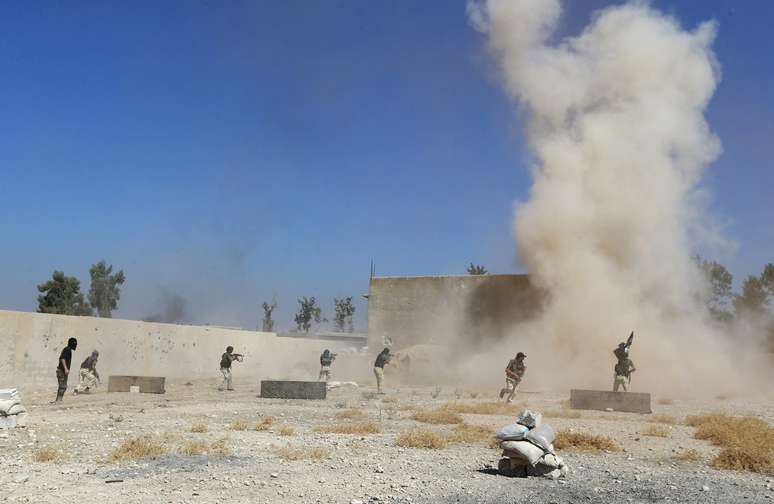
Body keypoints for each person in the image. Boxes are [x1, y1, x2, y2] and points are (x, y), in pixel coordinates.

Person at [53, 337, 78, 403]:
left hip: (61, 371)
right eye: (75, 344)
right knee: (62, 386)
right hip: (61, 371)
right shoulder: (67, 349)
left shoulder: (67, 349)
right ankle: (58, 400)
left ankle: (59, 400)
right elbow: (63, 358)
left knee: (62, 386)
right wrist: (66, 369)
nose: (76, 346)